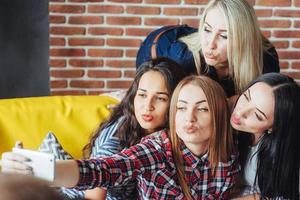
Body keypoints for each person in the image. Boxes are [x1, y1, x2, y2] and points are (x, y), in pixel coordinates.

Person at [1, 75, 239, 199]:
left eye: (203, 108)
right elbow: (102, 169)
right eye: (181, 108)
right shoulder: (157, 149)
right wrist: (39, 169)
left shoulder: (231, 152)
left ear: (218, 115)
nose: (189, 118)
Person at [1, 57, 187, 200]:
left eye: (160, 98)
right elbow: (94, 188)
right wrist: (37, 169)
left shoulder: (174, 138)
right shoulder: (119, 133)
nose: (148, 106)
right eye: (142, 95)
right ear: (133, 96)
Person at [137, 0, 280, 98]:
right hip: (154, 50)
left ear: (244, 39)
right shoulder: (182, 59)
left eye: (224, 36)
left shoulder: (266, 58)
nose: (210, 44)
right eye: (207, 29)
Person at [230, 73, 300, 199]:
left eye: (257, 115)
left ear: (273, 127)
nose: (241, 112)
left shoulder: (284, 154)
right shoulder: (221, 111)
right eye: (246, 97)